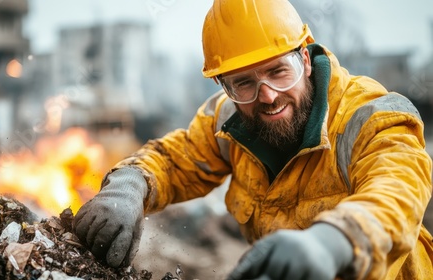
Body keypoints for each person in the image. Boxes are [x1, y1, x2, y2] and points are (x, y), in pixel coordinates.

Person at [73, 0, 433, 279]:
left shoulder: (372, 119)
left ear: (305, 59)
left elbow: (396, 195)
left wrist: (333, 242)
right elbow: (176, 160)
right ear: (223, 86)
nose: (268, 96)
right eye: (244, 82)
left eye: (278, 71)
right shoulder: (229, 119)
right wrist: (131, 183)